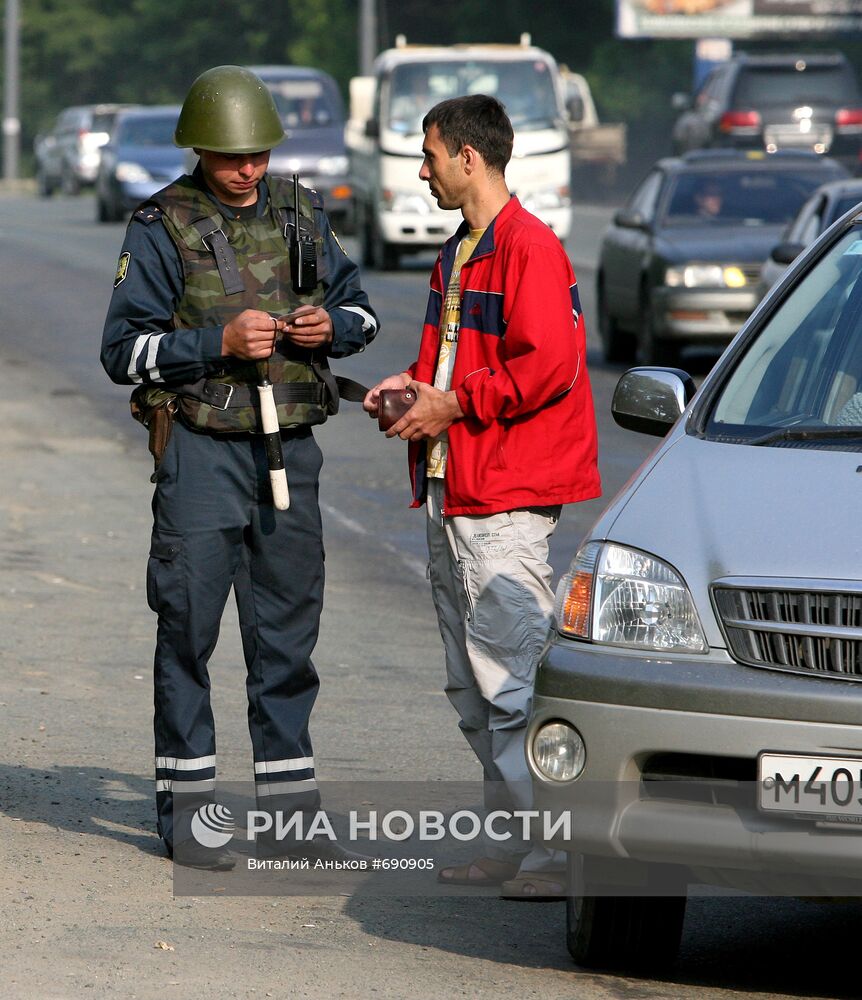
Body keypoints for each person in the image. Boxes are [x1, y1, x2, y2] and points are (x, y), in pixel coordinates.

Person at [101, 66, 379, 869]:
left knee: (287, 637)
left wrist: (331, 327)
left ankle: (292, 815)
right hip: (200, 453)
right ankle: (189, 815)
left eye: (256, 153)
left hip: (291, 451)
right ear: (199, 149)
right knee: (188, 628)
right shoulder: (160, 224)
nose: (246, 169)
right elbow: (124, 351)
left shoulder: (300, 210)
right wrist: (214, 345)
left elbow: (362, 307)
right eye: (229, 157)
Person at [363, 95, 600, 899]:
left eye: (428, 156)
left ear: (469, 157)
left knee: (511, 681)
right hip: (450, 486)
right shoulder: (459, 252)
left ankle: (560, 854)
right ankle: (511, 843)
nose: (420, 172)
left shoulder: (530, 248)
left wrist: (451, 405)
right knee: (472, 686)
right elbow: (456, 362)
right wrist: (411, 388)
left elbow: (551, 365)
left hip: (503, 495)